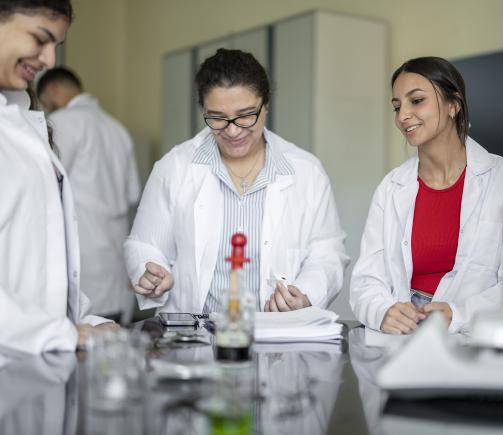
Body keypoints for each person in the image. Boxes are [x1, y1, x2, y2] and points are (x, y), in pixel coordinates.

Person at [125, 48, 349, 314]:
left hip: (277, 337)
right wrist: (150, 270)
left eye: (245, 115)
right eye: (217, 118)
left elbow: (327, 252)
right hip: (195, 339)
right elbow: (144, 244)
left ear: (266, 105)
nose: (232, 130)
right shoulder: (175, 167)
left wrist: (305, 294)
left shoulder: (306, 171)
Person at [350, 57, 503, 335]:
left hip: (473, 336)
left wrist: (457, 315)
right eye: (397, 107)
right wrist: (383, 311)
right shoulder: (392, 187)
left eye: (417, 100)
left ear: (453, 104)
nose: (402, 116)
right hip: (403, 334)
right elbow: (366, 281)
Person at [0, 0, 117, 354]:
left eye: (56, 46)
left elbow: (39, 253)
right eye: (40, 38)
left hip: (36, 363)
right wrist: (64, 334)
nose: (50, 60)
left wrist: (85, 320)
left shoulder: (23, 120)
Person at [36, 67, 141, 322]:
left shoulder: (61, 122)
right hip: (116, 259)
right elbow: (133, 193)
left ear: (53, 90)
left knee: (83, 342)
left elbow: (45, 186)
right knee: (112, 341)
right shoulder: (117, 128)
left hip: (83, 255)